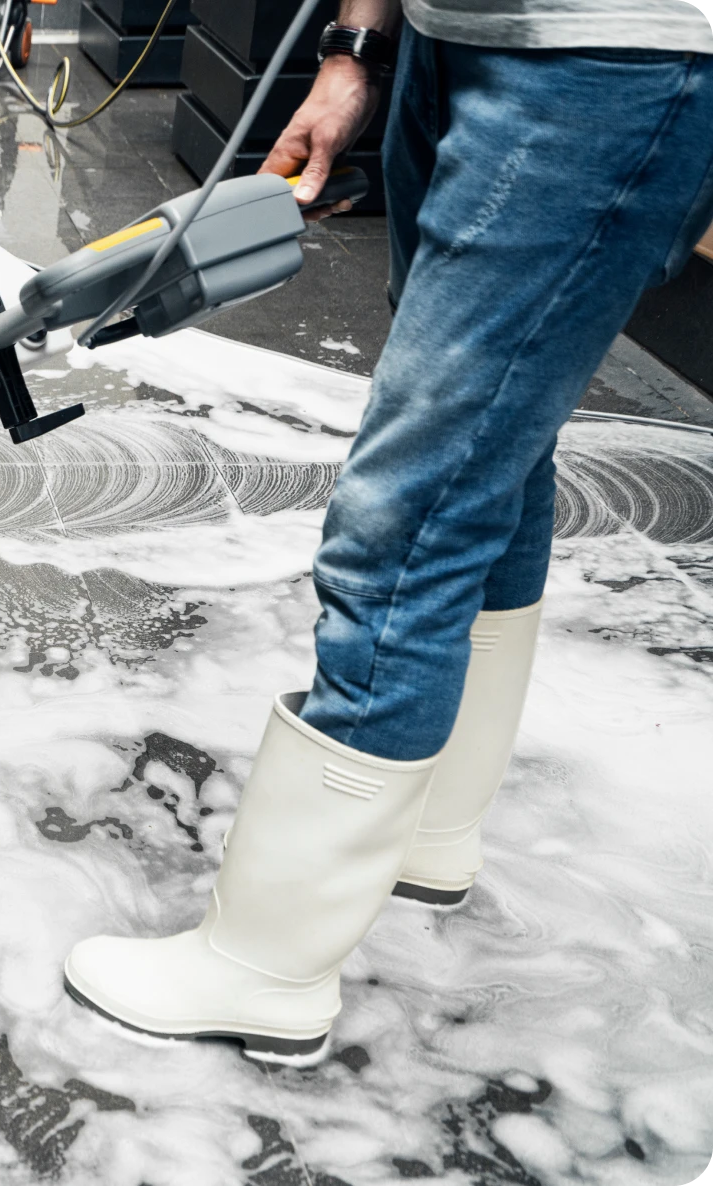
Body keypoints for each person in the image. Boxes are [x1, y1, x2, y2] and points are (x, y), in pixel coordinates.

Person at [63, 0, 713, 1063]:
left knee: (410, 505)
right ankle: (430, 828)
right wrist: (353, 48)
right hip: (450, 41)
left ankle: (268, 968)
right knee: (498, 445)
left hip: (610, 59)